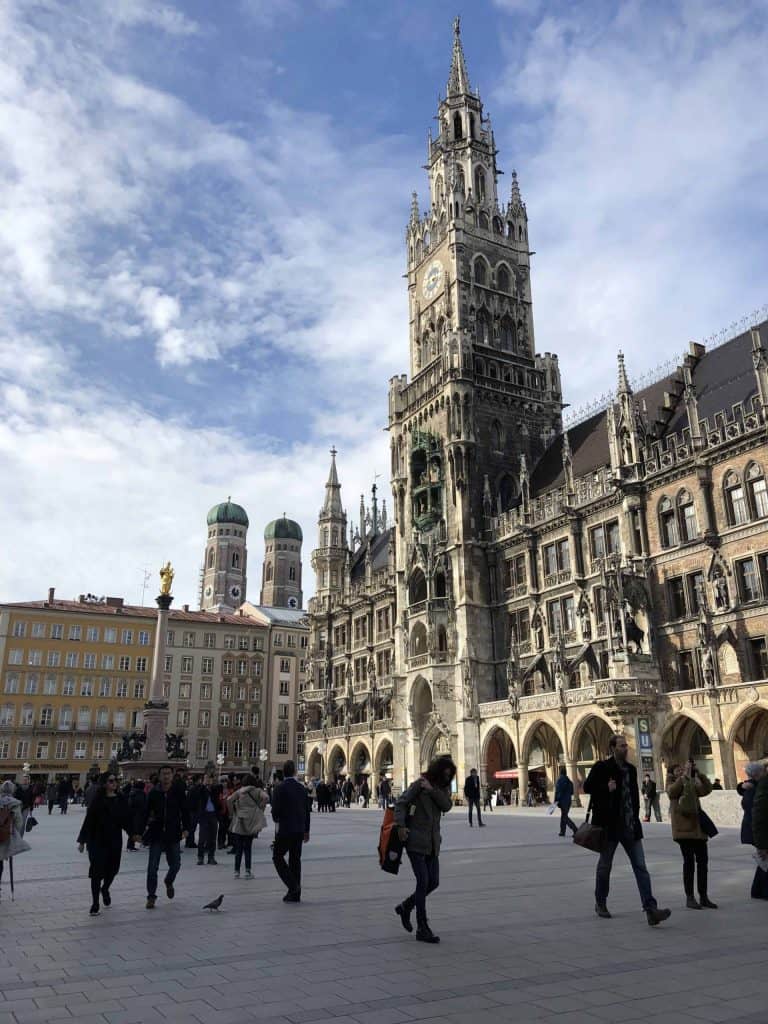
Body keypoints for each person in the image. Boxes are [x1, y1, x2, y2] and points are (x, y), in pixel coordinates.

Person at [583, 734, 671, 926]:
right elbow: (587, 787)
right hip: (609, 827)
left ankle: (650, 909)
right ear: (613, 748)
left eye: (626, 746)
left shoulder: (631, 770)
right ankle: (600, 902)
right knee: (605, 866)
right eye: (622, 746)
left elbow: (634, 798)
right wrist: (605, 787)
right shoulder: (602, 767)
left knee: (641, 867)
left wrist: (636, 819)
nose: (626, 748)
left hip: (630, 826)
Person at [393, 755, 455, 943]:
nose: (447, 778)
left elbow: (447, 806)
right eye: (444, 774)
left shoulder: (441, 789)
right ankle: (422, 927)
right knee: (423, 881)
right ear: (437, 771)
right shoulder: (419, 784)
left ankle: (406, 906)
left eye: (449, 776)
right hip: (415, 841)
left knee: (433, 882)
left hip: (433, 843)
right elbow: (401, 803)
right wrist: (401, 826)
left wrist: (433, 790)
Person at [77, 772, 137, 916]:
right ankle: (95, 903)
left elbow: (127, 819)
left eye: (115, 780)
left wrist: (133, 834)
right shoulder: (98, 800)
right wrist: (82, 841)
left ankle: (105, 889)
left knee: (113, 870)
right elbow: (89, 820)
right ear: (104, 783)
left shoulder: (121, 799)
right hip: (97, 840)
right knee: (96, 873)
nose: (114, 783)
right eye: (111, 781)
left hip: (114, 840)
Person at [666, 762, 717, 909]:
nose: (681, 771)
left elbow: (706, 790)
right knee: (688, 864)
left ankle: (704, 896)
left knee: (703, 863)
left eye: (682, 769)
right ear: (672, 772)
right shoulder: (672, 783)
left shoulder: (691, 781)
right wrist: (683, 778)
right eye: (677, 770)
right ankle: (690, 897)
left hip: (699, 830)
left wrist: (698, 773)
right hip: (684, 831)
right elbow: (671, 792)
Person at [142, 764, 190, 910]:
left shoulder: (178, 792)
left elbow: (185, 811)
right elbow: (145, 813)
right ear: (160, 775)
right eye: (163, 774)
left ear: (172, 775)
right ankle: (151, 896)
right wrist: (138, 831)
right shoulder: (154, 792)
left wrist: (187, 829)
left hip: (173, 833)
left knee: (175, 865)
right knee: (152, 867)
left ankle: (169, 881)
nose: (166, 776)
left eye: (168, 773)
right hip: (156, 833)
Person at [271, 759, 311, 902]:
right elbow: (307, 811)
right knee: (295, 860)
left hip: (285, 829)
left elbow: (275, 812)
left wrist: (277, 819)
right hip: (299, 829)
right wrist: (306, 830)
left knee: (277, 857)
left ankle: (293, 886)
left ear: (284, 772)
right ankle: (295, 894)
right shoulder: (301, 788)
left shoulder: (279, 788)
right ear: (294, 772)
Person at [227, 773, 267, 879]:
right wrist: (260, 809)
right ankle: (248, 871)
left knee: (238, 848)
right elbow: (266, 797)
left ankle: (236, 871)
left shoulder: (239, 791)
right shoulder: (257, 791)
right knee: (248, 847)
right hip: (251, 821)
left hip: (240, 820)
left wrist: (231, 813)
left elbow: (229, 800)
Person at [740, 762, 768, 900]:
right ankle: (762, 891)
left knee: (764, 862)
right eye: (764, 770)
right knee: (765, 860)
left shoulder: (754, 786)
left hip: (756, 829)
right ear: (758, 774)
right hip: (757, 829)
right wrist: (761, 843)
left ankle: (756, 890)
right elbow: (757, 815)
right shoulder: (755, 788)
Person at [0, 779, 31, 898]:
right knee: (0, 862)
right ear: (12, 790)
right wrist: (13, 833)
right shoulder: (14, 803)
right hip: (4, 836)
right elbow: (18, 822)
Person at [190, 773, 221, 866]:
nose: (208, 780)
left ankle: (211, 857)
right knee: (202, 838)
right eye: (206, 778)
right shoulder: (200, 789)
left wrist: (211, 787)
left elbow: (217, 798)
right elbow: (196, 794)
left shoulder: (214, 789)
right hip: (204, 815)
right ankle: (200, 857)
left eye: (210, 779)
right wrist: (204, 785)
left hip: (213, 815)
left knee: (213, 838)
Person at [554, 766, 577, 837]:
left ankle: (575, 829)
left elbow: (558, 791)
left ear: (560, 773)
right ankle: (562, 831)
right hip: (568, 800)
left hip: (562, 801)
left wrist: (556, 800)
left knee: (564, 817)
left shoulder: (559, 780)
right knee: (564, 815)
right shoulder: (569, 781)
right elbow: (572, 792)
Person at [126, 780, 146, 852]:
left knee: (134, 830)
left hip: (133, 814)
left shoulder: (132, 792)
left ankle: (131, 845)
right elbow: (141, 804)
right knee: (135, 830)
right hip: (137, 814)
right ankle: (130, 846)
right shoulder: (139, 793)